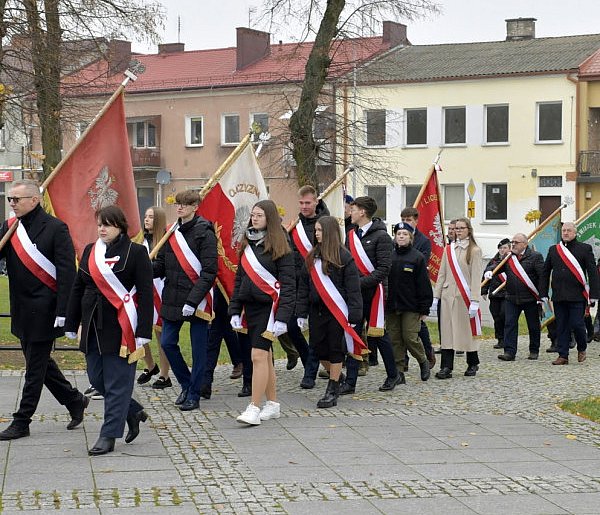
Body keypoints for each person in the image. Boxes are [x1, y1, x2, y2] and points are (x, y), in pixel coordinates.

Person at [0, 179, 88, 441]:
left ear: (34, 200)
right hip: (21, 308)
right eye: (10, 200)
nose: (12, 204)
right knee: (41, 364)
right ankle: (74, 400)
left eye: (17, 199)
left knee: (35, 369)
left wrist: (65, 310)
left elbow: (66, 273)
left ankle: (22, 420)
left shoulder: (55, 228)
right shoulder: (10, 228)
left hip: (46, 310)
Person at [65, 205, 153, 455]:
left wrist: (143, 330)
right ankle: (133, 411)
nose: (102, 228)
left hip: (122, 326)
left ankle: (108, 434)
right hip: (93, 323)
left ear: (121, 227)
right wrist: (71, 322)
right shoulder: (91, 251)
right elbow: (78, 287)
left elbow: (146, 294)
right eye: (100, 223)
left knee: (117, 381)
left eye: (108, 224)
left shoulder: (135, 253)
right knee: (96, 379)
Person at [229, 200, 295, 425]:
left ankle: (254, 407)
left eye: (259, 215)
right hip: (250, 307)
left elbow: (288, 283)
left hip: (271, 308)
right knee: (264, 357)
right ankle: (273, 404)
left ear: (270, 218)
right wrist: (235, 310)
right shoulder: (247, 243)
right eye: (253, 215)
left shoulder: (281, 244)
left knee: (257, 355)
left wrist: (283, 317)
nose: (254, 219)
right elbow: (239, 279)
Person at [153, 190, 217, 410]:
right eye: (178, 203)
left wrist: (192, 301)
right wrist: (142, 268)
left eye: (185, 204)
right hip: (172, 296)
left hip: (197, 300)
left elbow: (209, 271)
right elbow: (161, 264)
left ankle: (195, 394)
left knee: (199, 351)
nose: (180, 207)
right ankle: (186, 383)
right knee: (167, 343)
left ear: (195, 207)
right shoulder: (171, 232)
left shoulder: (205, 232)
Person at [296, 216, 363, 408]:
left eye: (320, 230)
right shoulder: (311, 257)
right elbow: (303, 287)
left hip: (337, 312)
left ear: (330, 232)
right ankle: (337, 375)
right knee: (318, 349)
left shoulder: (344, 257)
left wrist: (354, 316)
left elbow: (353, 289)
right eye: (315, 230)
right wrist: (301, 313)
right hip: (316, 311)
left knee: (335, 349)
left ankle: (332, 389)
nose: (316, 234)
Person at [341, 196, 404, 394]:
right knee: (353, 334)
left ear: (363, 212)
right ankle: (350, 382)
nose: (350, 213)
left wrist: (357, 284)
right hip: (355, 295)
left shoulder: (382, 237)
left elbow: (384, 269)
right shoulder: (351, 234)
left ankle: (393, 374)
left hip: (374, 293)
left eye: (353, 209)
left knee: (378, 336)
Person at [540, 222, 600, 365]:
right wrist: (543, 293)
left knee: (578, 324)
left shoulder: (585, 249)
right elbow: (545, 272)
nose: (565, 233)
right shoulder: (554, 250)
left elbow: (592, 273)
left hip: (577, 295)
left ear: (575, 232)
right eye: (564, 230)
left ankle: (582, 347)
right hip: (559, 295)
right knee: (561, 325)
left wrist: (594, 295)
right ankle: (563, 355)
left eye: (569, 230)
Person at [288, 185, 329, 389]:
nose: (304, 206)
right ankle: (307, 362)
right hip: (296, 284)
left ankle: (310, 374)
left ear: (316, 202)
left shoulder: (325, 224)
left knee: (316, 333)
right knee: (290, 326)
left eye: (308, 203)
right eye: (301, 203)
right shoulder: (294, 226)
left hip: (319, 284)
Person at [431, 217, 483, 379]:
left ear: (468, 229)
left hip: (464, 297)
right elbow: (442, 274)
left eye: (461, 228)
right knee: (447, 332)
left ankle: (472, 363)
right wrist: (436, 296)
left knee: (466, 331)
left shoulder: (474, 250)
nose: (458, 231)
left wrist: (475, 300)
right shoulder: (449, 249)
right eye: (455, 228)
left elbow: (476, 277)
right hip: (448, 297)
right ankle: (446, 367)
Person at [386, 222, 432, 382]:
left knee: (410, 337)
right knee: (394, 339)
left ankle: (423, 361)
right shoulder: (389, 256)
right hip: (392, 306)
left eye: (405, 234)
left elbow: (424, 285)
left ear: (410, 237)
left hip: (411, 306)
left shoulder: (417, 257)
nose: (401, 237)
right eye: (399, 234)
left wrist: (424, 308)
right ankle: (399, 372)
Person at [487, 234, 544, 361]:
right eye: (512, 242)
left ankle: (534, 350)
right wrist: (489, 271)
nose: (513, 244)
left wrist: (542, 295)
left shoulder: (535, 256)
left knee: (533, 325)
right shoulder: (509, 257)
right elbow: (496, 267)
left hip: (530, 297)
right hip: (511, 297)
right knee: (510, 324)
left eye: (516, 242)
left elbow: (542, 277)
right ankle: (509, 352)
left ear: (525, 243)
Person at [137, 206, 172, 389]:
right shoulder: (140, 239)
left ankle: (165, 375)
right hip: (141, 290)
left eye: (151, 217)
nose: (147, 219)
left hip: (159, 289)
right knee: (138, 331)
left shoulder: (165, 241)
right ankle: (150, 366)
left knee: (161, 334)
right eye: (145, 216)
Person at [400, 207, 435, 369]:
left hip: (415, 288)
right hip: (400, 288)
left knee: (418, 326)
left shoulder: (423, 240)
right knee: (399, 327)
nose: (406, 223)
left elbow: (422, 261)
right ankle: (403, 359)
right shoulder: (398, 236)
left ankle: (428, 352)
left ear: (416, 221)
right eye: (403, 220)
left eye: (409, 220)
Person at [481, 238, 511, 350]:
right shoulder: (493, 261)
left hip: (506, 294)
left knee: (504, 315)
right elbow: (486, 275)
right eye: (500, 248)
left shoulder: (511, 259)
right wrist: (484, 290)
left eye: (504, 248)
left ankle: (507, 338)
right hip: (494, 293)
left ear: (509, 248)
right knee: (496, 316)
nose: (502, 250)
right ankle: (500, 339)